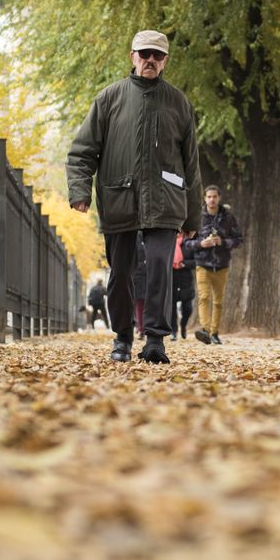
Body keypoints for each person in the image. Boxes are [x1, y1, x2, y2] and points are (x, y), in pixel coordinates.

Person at [68, 29, 202, 364]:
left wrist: (193, 216)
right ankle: (123, 337)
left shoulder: (179, 103)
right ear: (132, 57)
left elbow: (192, 165)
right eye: (144, 54)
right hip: (119, 198)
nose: (150, 61)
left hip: (166, 200)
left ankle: (156, 339)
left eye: (157, 56)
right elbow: (83, 151)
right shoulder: (109, 99)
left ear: (165, 61)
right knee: (121, 271)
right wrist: (80, 189)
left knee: (159, 266)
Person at [188, 185, 243, 345]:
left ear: (219, 198)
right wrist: (201, 244)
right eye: (209, 197)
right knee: (204, 297)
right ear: (205, 198)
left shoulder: (228, 217)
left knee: (218, 301)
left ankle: (214, 333)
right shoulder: (197, 217)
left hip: (221, 265)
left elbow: (239, 240)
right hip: (203, 263)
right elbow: (186, 243)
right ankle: (204, 329)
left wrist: (223, 242)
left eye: (214, 197)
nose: (212, 200)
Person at [172, 230, 198, 340]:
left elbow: (196, 261)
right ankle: (174, 331)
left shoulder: (189, 242)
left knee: (188, 307)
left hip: (186, 278)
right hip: (172, 278)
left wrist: (185, 264)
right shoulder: (168, 242)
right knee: (171, 308)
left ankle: (183, 325)